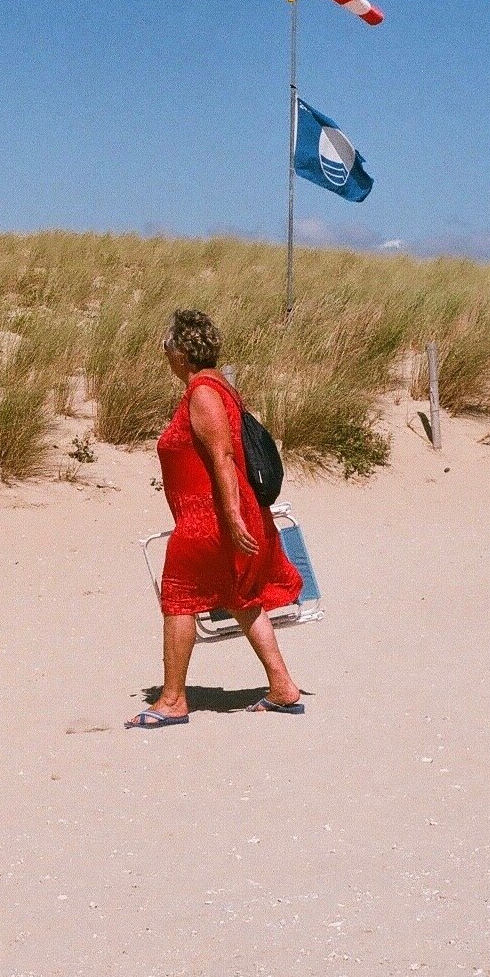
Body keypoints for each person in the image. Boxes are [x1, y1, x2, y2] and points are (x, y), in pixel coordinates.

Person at [127, 309, 304, 728]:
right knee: (241, 600)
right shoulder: (218, 385)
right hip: (222, 516)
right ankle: (282, 688)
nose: (164, 354)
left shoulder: (204, 392)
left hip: (209, 520)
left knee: (177, 597)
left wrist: (230, 516)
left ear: (183, 352)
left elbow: (223, 457)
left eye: (167, 346)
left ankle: (172, 700)